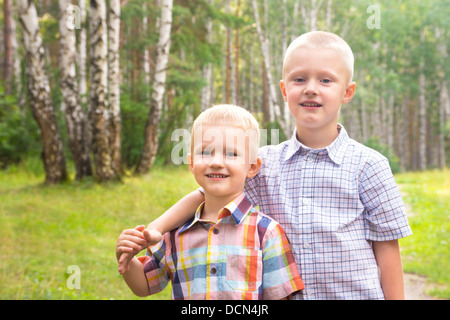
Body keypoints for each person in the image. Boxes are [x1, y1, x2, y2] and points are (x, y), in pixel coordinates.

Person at [120, 31, 412, 300]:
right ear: (285, 90)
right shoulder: (263, 163)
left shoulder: (369, 165)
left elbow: (386, 248)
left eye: (325, 80)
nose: (311, 89)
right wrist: (155, 229)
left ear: (347, 92)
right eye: (299, 80)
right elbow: (202, 196)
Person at [115, 104, 304, 300]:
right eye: (205, 152)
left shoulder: (266, 232)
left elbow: (280, 296)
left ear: (252, 166)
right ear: (191, 163)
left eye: (231, 154)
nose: (216, 162)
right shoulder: (174, 234)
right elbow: (145, 285)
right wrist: (127, 259)